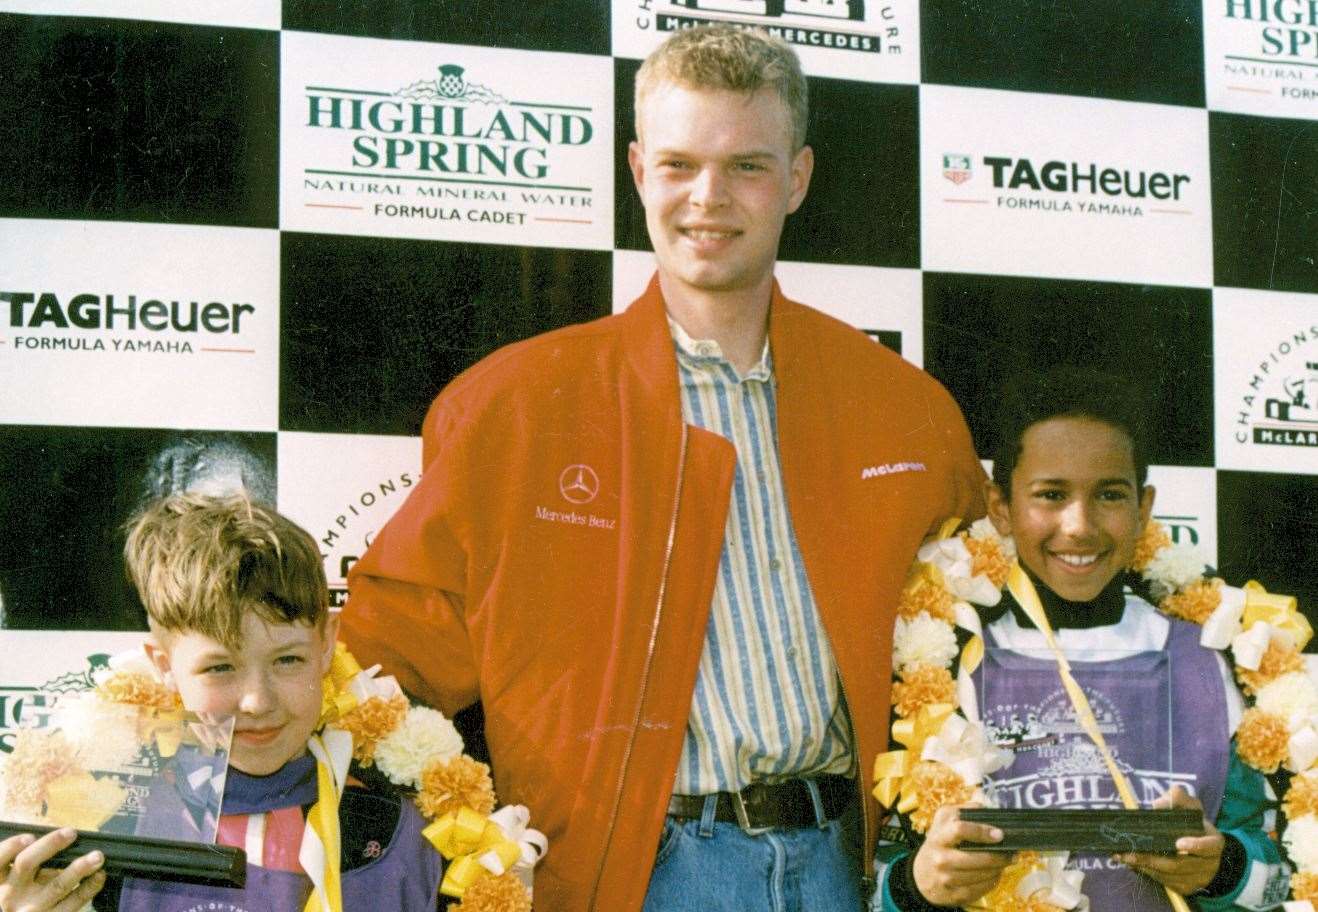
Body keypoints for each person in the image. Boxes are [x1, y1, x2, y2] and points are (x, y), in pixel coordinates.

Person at [341, 24, 984, 912]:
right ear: (639, 170)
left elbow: (995, 649)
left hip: (856, 869)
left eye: (748, 166)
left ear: (797, 179)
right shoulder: (516, 408)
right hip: (635, 878)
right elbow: (380, 667)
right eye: (680, 164)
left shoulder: (905, 409)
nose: (708, 198)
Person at [874, 367, 1289, 911]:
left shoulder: (1215, 658)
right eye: (1051, 495)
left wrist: (1223, 868)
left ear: (1144, 508)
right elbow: (875, 876)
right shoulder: (941, 666)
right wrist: (919, 886)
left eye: (1109, 495)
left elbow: (1283, 872)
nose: (1079, 525)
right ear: (1001, 507)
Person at [0, 493, 443, 912]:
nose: (256, 701)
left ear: (327, 645)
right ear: (164, 664)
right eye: (220, 668)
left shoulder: (399, 829)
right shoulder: (97, 821)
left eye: (287, 659)